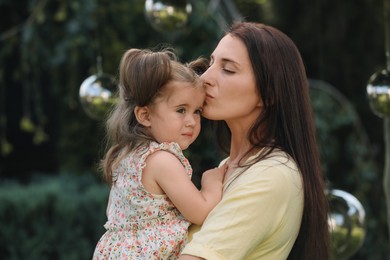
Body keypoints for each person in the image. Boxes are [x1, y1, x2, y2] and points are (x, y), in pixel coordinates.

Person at [180, 22, 330, 260]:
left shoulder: (270, 176)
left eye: (228, 70)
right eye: (211, 64)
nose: (205, 78)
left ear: (268, 93)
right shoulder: (229, 167)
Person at [93, 48, 225, 259]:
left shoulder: (127, 155)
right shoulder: (162, 160)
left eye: (197, 111)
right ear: (145, 115)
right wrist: (212, 183)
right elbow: (201, 213)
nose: (191, 121)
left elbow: (113, 214)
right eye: (181, 110)